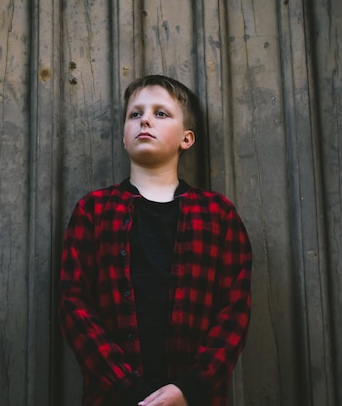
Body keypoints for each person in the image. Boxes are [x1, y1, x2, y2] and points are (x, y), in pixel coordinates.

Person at [59, 75, 252, 406]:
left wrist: (190, 388)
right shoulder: (92, 211)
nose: (145, 119)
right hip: (115, 397)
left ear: (187, 138)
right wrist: (129, 390)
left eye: (161, 113)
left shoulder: (219, 215)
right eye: (135, 114)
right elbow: (75, 306)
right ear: (123, 137)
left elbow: (234, 312)